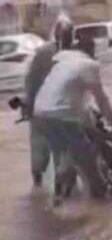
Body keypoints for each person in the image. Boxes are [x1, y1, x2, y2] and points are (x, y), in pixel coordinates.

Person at [33, 34, 112, 204]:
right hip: (60, 115)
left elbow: (75, 99)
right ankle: (100, 199)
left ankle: (60, 196)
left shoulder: (63, 62)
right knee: (86, 157)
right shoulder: (88, 65)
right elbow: (101, 99)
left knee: (64, 154)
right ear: (92, 51)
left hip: (40, 113)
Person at [24, 13, 74, 187]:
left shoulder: (44, 52)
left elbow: (30, 80)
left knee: (41, 148)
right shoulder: (71, 53)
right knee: (60, 150)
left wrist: (28, 104)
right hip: (57, 111)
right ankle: (56, 185)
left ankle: (39, 185)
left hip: (42, 109)